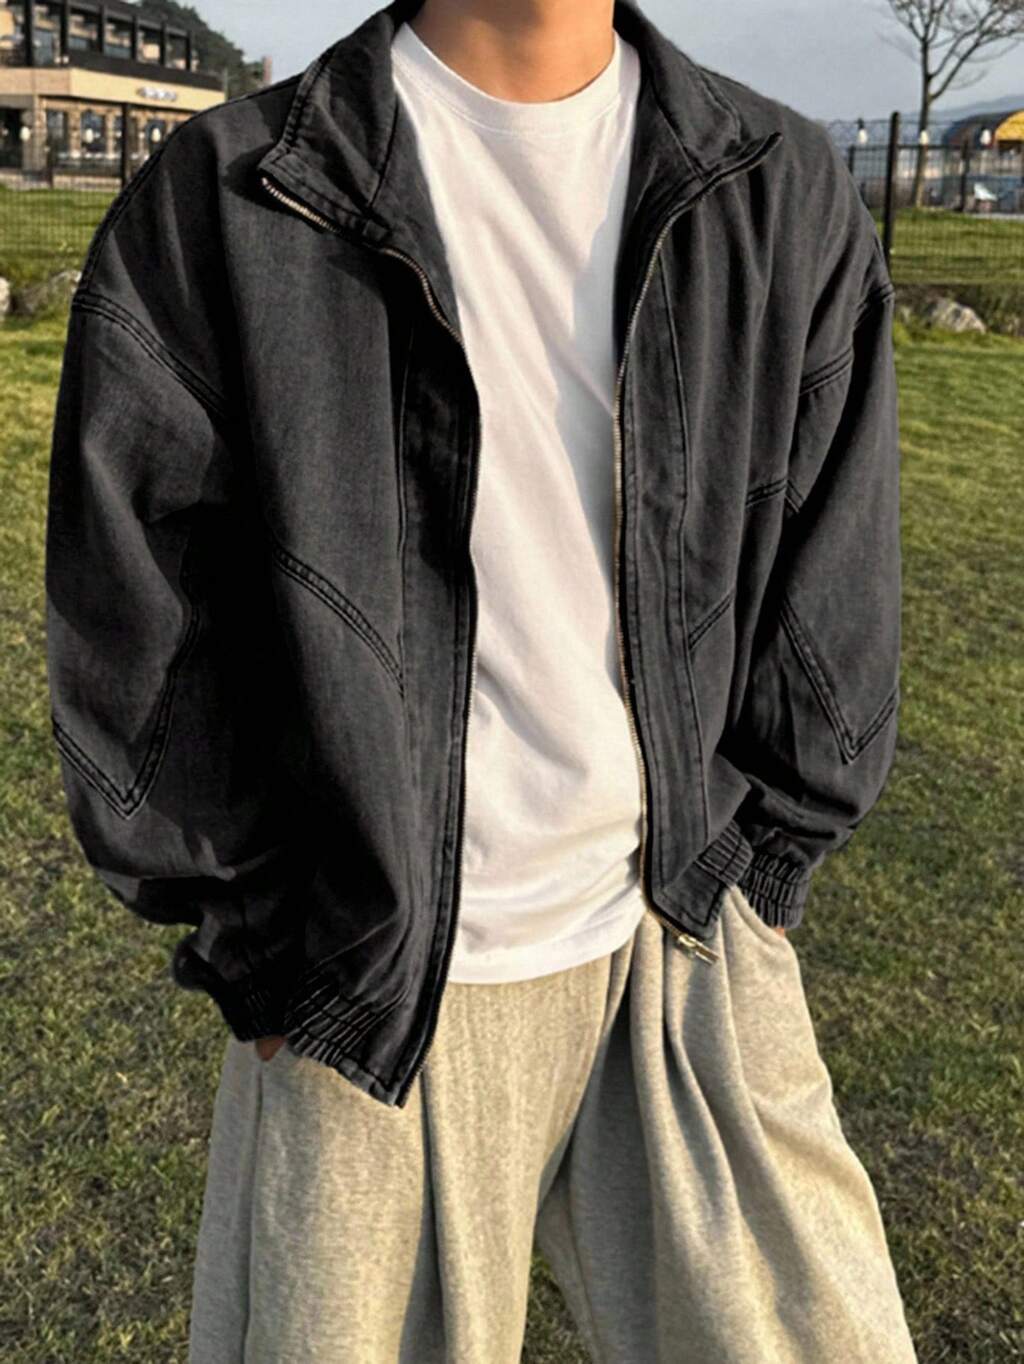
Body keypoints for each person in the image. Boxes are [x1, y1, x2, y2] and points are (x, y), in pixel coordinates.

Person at [44, 0, 918, 1359]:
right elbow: (136, 615)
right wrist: (260, 942)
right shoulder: (233, 195)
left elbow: (834, 575)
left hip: (683, 935)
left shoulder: (779, 187)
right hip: (364, 980)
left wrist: (763, 865)